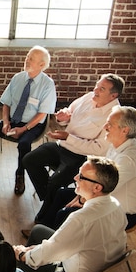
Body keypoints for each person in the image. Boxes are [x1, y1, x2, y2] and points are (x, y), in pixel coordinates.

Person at [14, 156, 127, 272]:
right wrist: (35, 251)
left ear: (97, 187)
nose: (75, 178)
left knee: (13, 260)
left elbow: (53, 251)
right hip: (97, 271)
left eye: (81, 176)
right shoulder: (115, 205)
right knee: (38, 231)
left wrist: (23, 254)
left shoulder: (81, 219)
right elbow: (57, 247)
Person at [23, 73, 125, 223]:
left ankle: (43, 220)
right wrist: (62, 117)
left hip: (83, 157)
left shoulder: (115, 116)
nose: (95, 91)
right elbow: (69, 112)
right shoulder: (89, 97)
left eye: (101, 89)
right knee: (30, 160)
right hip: (63, 144)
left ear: (113, 95)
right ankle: (50, 199)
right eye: (97, 86)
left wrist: (68, 137)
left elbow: (98, 149)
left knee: (55, 182)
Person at [35, 105, 136, 231]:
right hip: (107, 197)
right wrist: (79, 196)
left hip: (122, 212)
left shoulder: (129, 160)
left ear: (125, 130)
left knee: (66, 213)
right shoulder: (117, 144)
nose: (105, 127)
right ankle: (43, 230)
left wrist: (82, 201)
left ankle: (53, 242)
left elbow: (106, 189)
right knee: (61, 194)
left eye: (110, 124)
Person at [0, 46, 57, 195]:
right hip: (12, 120)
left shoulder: (47, 85)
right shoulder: (18, 78)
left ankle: (20, 175)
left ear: (42, 65)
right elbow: (6, 103)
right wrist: (5, 122)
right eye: (27, 56)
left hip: (32, 125)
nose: (26, 60)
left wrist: (23, 130)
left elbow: (42, 115)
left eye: (31, 59)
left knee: (24, 143)